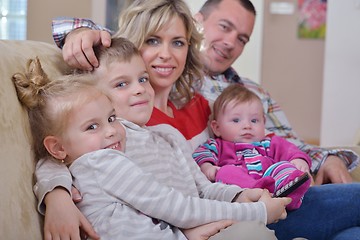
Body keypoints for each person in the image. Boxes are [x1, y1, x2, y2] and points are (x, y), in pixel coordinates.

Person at [43, 0, 360, 239]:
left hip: (249, 198)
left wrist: (326, 158)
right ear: (132, 45)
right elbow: (67, 148)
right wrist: (55, 194)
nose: (167, 54)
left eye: (178, 43)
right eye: (153, 41)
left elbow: (269, 139)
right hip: (230, 217)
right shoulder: (119, 117)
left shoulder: (205, 101)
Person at [20, 39, 289, 240]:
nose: (139, 89)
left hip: (197, 221)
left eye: (143, 79)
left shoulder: (166, 135)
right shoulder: (103, 149)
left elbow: (200, 189)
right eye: (121, 84)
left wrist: (238, 196)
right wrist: (57, 195)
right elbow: (51, 161)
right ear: (96, 95)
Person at [193, 84, 312, 210]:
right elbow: (201, 154)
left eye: (254, 121)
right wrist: (207, 167)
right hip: (241, 192)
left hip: (272, 184)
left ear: (263, 123)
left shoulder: (269, 143)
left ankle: (290, 197)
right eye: (236, 120)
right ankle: (257, 190)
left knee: (285, 167)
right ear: (217, 128)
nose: (247, 126)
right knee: (225, 172)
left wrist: (299, 160)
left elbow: (290, 151)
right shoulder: (217, 145)